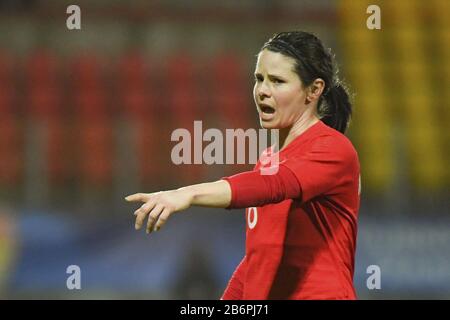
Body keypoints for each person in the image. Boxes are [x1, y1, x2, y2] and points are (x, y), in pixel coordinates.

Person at [125, 31, 360, 300]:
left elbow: (274, 184)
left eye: (277, 81)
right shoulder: (268, 160)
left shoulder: (333, 149)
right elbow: (258, 259)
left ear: (314, 90)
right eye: (259, 79)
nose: (262, 91)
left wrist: (187, 193)